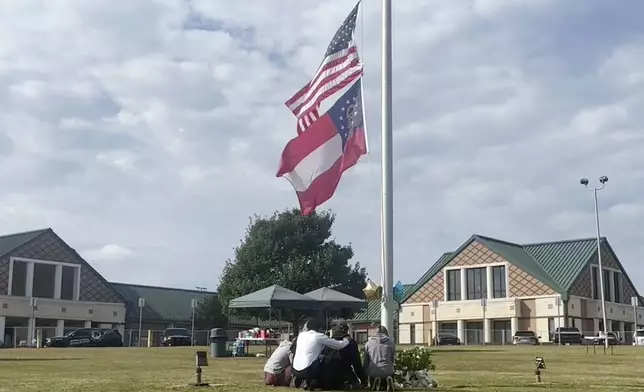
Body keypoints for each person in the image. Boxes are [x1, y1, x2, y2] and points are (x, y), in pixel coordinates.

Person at [292, 318, 350, 390]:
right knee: (328, 362)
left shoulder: (301, 335)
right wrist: (347, 340)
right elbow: (338, 345)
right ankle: (319, 383)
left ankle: (304, 380)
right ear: (319, 328)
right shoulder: (318, 336)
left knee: (316, 359)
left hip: (295, 370)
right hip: (308, 370)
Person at [320, 322, 367, 389]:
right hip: (343, 374)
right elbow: (357, 364)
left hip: (327, 376)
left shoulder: (328, 342)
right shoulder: (350, 343)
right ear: (346, 330)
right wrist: (363, 380)